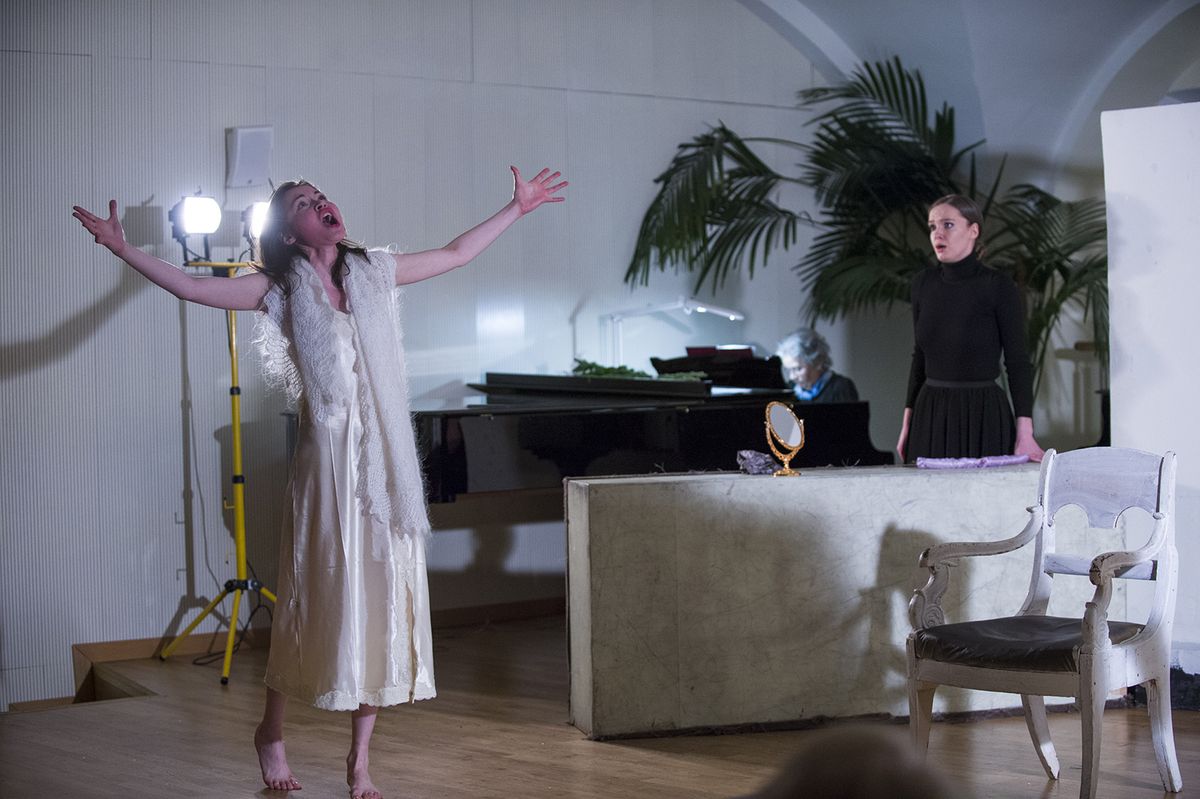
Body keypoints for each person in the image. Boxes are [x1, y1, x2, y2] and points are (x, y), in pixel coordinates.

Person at [71, 165, 567, 798]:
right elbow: (192, 288)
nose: (321, 201)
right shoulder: (278, 288)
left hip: (384, 458)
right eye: (305, 203)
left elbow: (454, 253)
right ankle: (271, 731)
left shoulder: (374, 270)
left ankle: (360, 759)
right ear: (288, 233)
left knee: (381, 593)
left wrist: (516, 208)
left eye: (320, 194)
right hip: (325, 461)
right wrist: (123, 249)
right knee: (315, 593)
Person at [897, 194, 1044, 464]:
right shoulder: (923, 284)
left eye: (948, 225)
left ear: (973, 230)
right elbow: (920, 356)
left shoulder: (998, 286)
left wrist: (1025, 433)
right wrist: (907, 422)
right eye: (932, 226)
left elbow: (1018, 362)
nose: (938, 233)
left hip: (984, 414)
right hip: (930, 415)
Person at [775, 328, 858, 402]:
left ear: (817, 362)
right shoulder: (790, 388)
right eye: (788, 370)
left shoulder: (841, 387)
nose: (792, 377)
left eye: (798, 369)